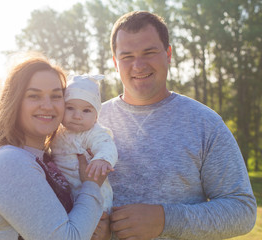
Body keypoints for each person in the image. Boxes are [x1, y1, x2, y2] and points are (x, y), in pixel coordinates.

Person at [98, 11, 257, 240]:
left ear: (168, 54)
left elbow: (242, 210)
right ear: (115, 62)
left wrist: (165, 220)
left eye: (149, 52)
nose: (138, 65)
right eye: (127, 56)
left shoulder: (205, 123)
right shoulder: (91, 122)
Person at [0, 53, 110, 240]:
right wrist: (92, 185)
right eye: (34, 96)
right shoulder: (8, 162)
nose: (47, 106)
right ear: (14, 102)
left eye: (56, 96)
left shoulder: (45, 158)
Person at [51, 74, 118, 213]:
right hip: (67, 196)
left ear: (96, 116)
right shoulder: (56, 131)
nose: (77, 116)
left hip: (96, 197)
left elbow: (106, 144)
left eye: (86, 110)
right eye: (70, 108)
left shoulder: (93, 132)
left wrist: (102, 158)